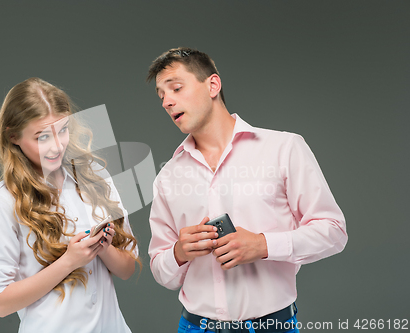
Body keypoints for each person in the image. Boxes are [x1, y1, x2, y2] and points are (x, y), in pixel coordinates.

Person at [147, 47, 348, 333]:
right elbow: (160, 271)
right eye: (161, 96)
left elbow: (334, 232)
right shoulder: (167, 176)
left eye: (176, 88)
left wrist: (264, 245)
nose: (167, 101)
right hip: (195, 327)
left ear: (212, 85)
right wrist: (179, 252)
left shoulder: (284, 149)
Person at [0, 77, 140, 333]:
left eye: (62, 130)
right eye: (42, 137)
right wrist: (68, 262)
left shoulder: (95, 177)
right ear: (13, 136)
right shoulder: (6, 201)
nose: (57, 146)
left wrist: (104, 248)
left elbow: (128, 269)